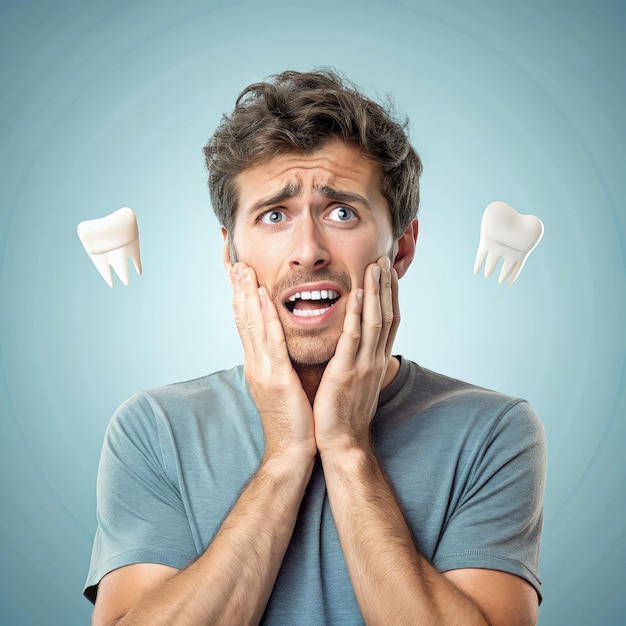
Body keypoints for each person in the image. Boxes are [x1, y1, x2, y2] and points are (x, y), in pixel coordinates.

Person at [84, 69, 546, 625]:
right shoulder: (153, 428)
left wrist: (349, 450)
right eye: (274, 215)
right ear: (231, 256)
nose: (308, 251)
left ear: (400, 249)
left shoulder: (493, 430)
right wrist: (285, 457)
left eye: (342, 212)